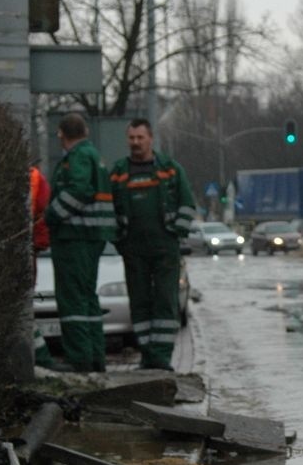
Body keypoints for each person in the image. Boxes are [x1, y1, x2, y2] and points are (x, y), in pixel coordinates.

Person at [110, 119, 195, 370]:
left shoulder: (170, 170)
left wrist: (175, 232)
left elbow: (187, 204)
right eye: (132, 138)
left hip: (164, 248)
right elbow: (108, 207)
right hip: (133, 249)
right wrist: (118, 239)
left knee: (165, 301)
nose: (136, 143)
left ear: (151, 139)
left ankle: (162, 357)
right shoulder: (118, 173)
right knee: (139, 302)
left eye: (140, 138)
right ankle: (147, 355)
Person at [45, 114, 116, 373]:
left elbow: (78, 190)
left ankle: (79, 360)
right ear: (85, 131)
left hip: (75, 237)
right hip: (91, 237)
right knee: (87, 299)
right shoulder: (92, 155)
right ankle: (94, 358)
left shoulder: (77, 158)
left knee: (72, 299)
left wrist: (51, 215)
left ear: (61, 134)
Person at [29, 161, 54, 367]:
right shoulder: (36, 178)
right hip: (30, 248)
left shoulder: (33, 179)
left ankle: (42, 358)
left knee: (23, 309)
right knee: (25, 309)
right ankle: (42, 357)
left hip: (26, 249)